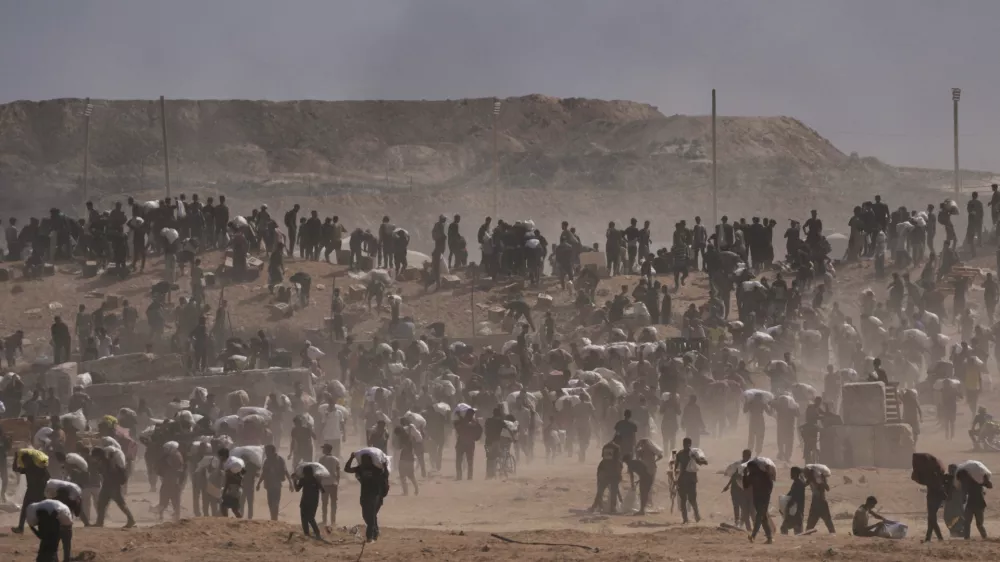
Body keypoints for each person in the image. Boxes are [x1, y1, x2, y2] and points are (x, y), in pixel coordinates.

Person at [344, 452, 390, 543]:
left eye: (367, 459)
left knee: (371, 516)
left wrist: (384, 466)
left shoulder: (376, 469)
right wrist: (351, 458)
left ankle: (370, 537)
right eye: (363, 460)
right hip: (364, 495)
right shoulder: (361, 468)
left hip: (375, 494)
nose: (365, 461)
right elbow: (347, 469)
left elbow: (385, 475)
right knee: (366, 516)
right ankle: (375, 532)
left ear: (370, 460)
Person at [92, 447, 136, 528]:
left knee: (120, 504)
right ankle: (99, 522)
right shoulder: (105, 461)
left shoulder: (109, 461)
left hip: (113, 486)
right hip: (108, 485)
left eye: (95, 456)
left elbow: (111, 472)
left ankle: (131, 520)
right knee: (101, 504)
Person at [13, 450, 51, 534]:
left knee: (31, 510)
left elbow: (15, 468)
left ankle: (21, 528)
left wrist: (15, 458)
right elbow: (15, 469)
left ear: (29, 460)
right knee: (31, 509)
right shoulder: (34, 468)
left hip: (36, 491)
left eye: (25, 461)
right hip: (36, 491)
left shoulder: (34, 468)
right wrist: (16, 458)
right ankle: (21, 528)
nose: (24, 463)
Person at [674, 437, 706, 524]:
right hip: (687, 479)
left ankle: (695, 515)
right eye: (684, 444)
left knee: (691, 499)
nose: (685, 445)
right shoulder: (682, 454)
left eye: (686, 444)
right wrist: (675, 478)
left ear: (689, 444)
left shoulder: (689, 454)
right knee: (685, 500)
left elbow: (701, 462)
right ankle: (686, 518)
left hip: (688, 479)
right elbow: (676, 467)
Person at [743, 459, 775, 543]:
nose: (749, 470)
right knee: (763, 518)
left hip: (764, 499)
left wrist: (767, 493)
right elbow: (745, 486)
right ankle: (769, 538)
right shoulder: (752, 476)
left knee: (759, 516)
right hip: (756, 499)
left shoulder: (764, 475)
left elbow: (770, 485)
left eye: (750, 468)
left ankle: (753, 535)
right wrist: (744, 475)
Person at [723, 449, 753, 531]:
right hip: (735, 488)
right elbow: (733, 476)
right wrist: (727, 486)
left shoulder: (751, 466)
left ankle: (744, 524)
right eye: (744, 455)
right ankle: (737, 521)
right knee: (736, 505)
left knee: (744, 507)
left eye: (746, 456)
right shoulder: (738, 465)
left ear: (749, 456)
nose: (744, 457)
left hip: (744, 489)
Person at [258, 444, 290, 521]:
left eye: (267, 452)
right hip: (269, 485)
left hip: (276, 485)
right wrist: (259, 483)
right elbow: (264, 473)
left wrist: (291, 483)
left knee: (275, 502)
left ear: (272, 451)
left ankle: (274, 518)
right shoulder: (267, 460)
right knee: (270, 503)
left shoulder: (280, 460)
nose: (266, 453)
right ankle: (273, 517)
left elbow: (286, 471)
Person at [591, 440, 623, 514]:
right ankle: (612, 508)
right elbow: (617, 459)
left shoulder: (605, 446)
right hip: (613, 470)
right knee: (614, 491)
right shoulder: (617, 447)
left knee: (600, 490)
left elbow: (603, 457)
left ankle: (595, 506)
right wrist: (619, 473)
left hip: (604, 469)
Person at [959, 468, 990, 540]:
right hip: (976, 504)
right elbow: (989, 486)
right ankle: (983, 537)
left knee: (972, 523)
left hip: (975, 504)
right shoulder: (976, 481)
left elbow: (989, 485)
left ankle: (970, 538)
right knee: (975, 524)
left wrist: (985, 479)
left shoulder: (977, 481)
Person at [294, 464, 323, 538]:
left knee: (307, 518)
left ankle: (311, 533)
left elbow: (297, 489)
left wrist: (294, 481)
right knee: (309, 518)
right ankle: (314, 533)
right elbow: (322, 490)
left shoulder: (304, 479)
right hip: (312, 502)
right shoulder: (314, 479)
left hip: (306, 502)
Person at [454, 409, 482, 480]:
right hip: (470, 444)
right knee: (470, 461)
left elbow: (456, 427)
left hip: (461, 443)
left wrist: (459, 415)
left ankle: (459, 476)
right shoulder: (475, 423)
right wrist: (476, 438)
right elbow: (480, 431)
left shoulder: (462, 421)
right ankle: (469, 477)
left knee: (459, 461)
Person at [317, 443, 341, 527]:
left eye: (324, 448)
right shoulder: (336, 459)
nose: (322, 450)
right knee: (333, 503)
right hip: (333, 483)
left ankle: (324, 521)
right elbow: (338, 473)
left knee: (324, 503)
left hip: (324, 484)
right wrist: (337, 482)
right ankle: (333, 521)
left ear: (326, 450)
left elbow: (319, 472)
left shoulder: (321, 459)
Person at [805, 467, 835, 533]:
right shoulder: (810, 479)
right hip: (817, 503)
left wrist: (821, 482)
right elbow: (803, 485)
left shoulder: (819, 478)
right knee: (811, 525)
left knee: (828, 523)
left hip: (820, 503)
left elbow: (827, 488)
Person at [781, 467, 807, 535]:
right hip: (795, 510)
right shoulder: (796, 482)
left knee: (786, 528)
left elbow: (795, 497)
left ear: (796, 473)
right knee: (797, 530)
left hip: (796, 510)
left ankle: (786, 542)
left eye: (792, 473)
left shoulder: (799, 483)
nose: (791, 474)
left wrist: (787, 505)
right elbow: (790, 494)